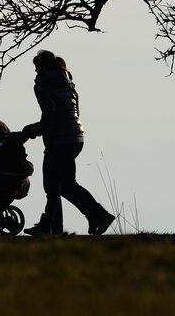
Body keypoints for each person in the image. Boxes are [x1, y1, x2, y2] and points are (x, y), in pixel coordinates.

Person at [23, 50, 114, 236]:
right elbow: (74, 112)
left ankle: (99, 215)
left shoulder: (42, 84)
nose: (35, 72)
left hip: (59, 140)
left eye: (37, 68)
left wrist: (33, 131)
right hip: (76, 136)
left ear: (43, 67)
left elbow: (50, 114)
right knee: (60, 185)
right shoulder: (69, 82)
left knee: (57, 185)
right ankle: (52, 225)